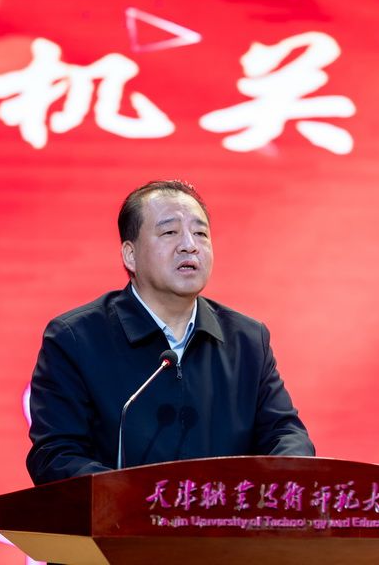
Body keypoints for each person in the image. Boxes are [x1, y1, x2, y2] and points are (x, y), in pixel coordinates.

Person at [26, 180, 314, 485]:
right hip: (121, 516)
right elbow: (56, 456)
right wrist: (137, 498)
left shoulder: (247, 340)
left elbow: (286, 435)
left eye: (200, 233)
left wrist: (265, 484)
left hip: (224, 514)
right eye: (169, 232)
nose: (190, 245)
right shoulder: (75, 339)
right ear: (130, 255)